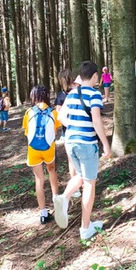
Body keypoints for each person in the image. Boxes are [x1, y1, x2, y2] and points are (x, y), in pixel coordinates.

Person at [53, 61, 112, 240]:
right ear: (95, 76)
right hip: (86, 143)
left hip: (70, 141)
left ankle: (64, 197)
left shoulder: (72, 93)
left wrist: (73, 127)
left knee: (80, 175)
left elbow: (60, 116)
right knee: (89, 183)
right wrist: (106, 144)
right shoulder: (94, 94)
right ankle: (85, 228)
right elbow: (96, 121)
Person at [22, 85, 61, 225]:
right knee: (52, 171)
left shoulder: (28, 112)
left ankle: (43, 213)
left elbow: (26, 132)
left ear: (33, 97)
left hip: (33, 149)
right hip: (48, 148)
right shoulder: (53, 112)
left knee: (39, 179)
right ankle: (57, 201)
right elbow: (55, 132)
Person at [55, 69, 81, 199]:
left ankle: (76, 188)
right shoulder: (79, 91)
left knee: (72, 160)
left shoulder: (60, 96)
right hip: (82, 129)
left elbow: (59, 114)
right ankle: (84, 183)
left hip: (68, 132)